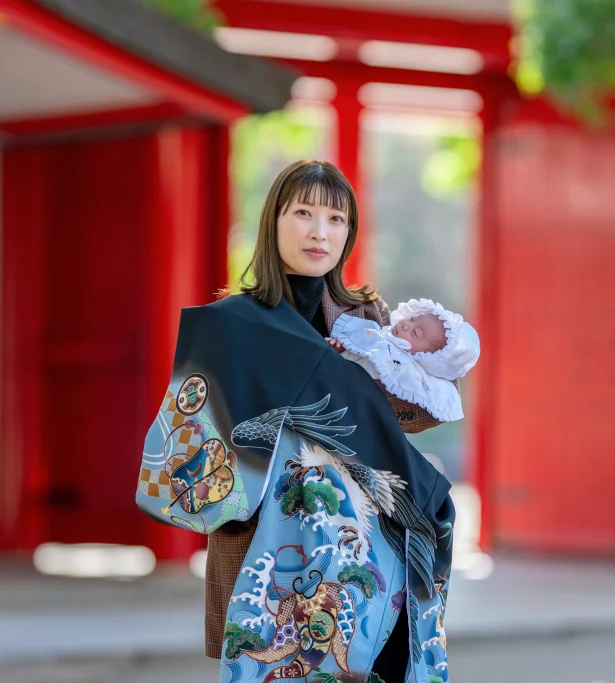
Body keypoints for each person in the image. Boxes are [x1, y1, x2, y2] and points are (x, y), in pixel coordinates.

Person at [197, 160, 452, 681]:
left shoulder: (368, 314)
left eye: (337, 219)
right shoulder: (232, 321)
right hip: (264, 543)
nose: (320, 232)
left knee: (370, 664)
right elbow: (202, 443)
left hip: (370, 542)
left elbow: (409, 421)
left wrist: (382, 375)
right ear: (274, 221)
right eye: (304, 213)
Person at [328, 299, 480, 423]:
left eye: (415, 332)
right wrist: (343, 347)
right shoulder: (381, 334)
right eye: (413, 318)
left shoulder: (405, 374)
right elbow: (363, 349)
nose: (406, 324)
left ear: (427, 357)